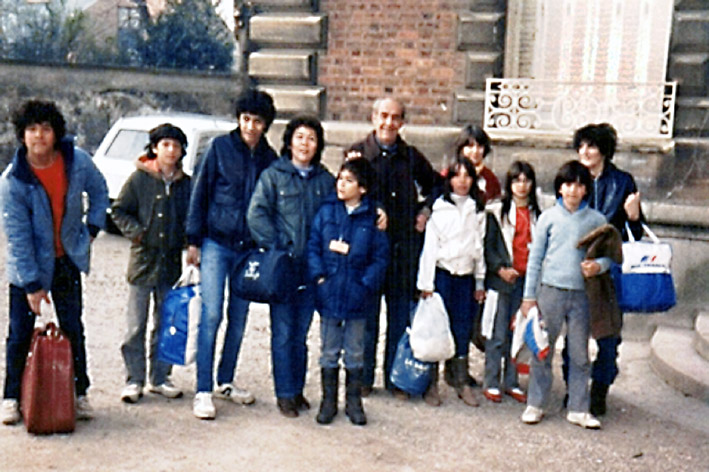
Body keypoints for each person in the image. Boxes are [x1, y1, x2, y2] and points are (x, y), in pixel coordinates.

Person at [0, 100, 109, 425]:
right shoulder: (13, 181)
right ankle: (11, 396)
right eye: (32, 129)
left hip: (66, 262)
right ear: (22, 136)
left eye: (45, 129)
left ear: (55, 132)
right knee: (19, 332)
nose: (39, 136)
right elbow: (17, 239)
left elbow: (100, 191)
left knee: (73, 327)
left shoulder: (77, 161)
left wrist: (91, 229)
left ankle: (79, 393)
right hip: (29, 267)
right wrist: (32, 285)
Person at [186, 89, 277, 420]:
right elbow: (201, 191)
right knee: (211, 315)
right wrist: (192, 240)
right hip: (215, 244)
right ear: (239, 119)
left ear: (266, 124)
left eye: (257, 121)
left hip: (248, 250)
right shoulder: (220, 148)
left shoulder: (271, 159)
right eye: (246, 119)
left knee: (239, 319)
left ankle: (225, 380)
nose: (251, 127)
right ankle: (203, 389)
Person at [345, 97, 441, 399]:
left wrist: (425, 211)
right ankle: (362, 378)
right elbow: (344, 192)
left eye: (395, 117)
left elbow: (437, 185)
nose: (388, 123)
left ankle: (396, 378)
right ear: (373, 117)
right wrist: (369, 209)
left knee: (399, 319)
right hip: (369, 254)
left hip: (402, 252)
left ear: (402, 122)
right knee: (368, 318)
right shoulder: (357, 153)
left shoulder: (411, 156)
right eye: (383, 116)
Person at [248, 115, 336, 418]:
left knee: (301, 332)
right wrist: (277, 248)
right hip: (284, 267)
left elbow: (337, 217)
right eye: (300, 137)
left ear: (318, 145)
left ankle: (297, 389)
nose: (305, 144)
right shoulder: (274, 175)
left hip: (312, 268)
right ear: (289, 142)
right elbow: (256, 214)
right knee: (283, 331)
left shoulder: (326, 181)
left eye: (311, 139)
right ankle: (284, 393)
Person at [519, 160, 608, 429]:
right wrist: (528, 296)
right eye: (568, 184)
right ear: (559, 187)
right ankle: (536, 403)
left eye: (580, 185)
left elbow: (610, 257)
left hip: (582, 295)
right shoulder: (547, 218)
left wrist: (598, 266)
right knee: (542, 349)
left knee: (580, 353)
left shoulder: (596, 220)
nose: (573, 190)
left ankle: (578, 408)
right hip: (550, 292)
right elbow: (535, 260)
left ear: (586, 190)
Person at [566, 122, 643, 417]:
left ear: (604, 150)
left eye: (592, 146)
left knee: (608, 338)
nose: (585, 152)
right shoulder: (573, 178)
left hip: (609, 272)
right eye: (581, 146)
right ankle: (575, 391)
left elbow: (633, 230)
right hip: (578, 268)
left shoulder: (622, 181)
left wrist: (634, 215)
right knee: (574, 334)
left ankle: (599, 391)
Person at [111, 123, 191, 404]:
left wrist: (188, 242)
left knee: (167, 323)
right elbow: (119, 211)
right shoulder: (139, 179)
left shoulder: (185, 184)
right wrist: (138, 233)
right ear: (155, 148)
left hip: (170, 264)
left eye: (176, 146)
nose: (170, 151)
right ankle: (134, 379)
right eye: (165, 145)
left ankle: (160, 377)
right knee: (136, 325)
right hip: (143, 263)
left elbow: (191, 218)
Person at [307, 158, 389, 425]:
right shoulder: (327, 212)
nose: (342, 184)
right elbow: (314, 246)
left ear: (362, 188)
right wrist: (319, 277)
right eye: (340, 179)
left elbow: (380, 257)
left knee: (355, 350)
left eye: (349, 180)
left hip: (357, 294)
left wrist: (366, 284)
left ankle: (354, 402)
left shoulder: (372, 218)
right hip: (330, 291)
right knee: (329, 349)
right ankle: (328, 401)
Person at [417, 158, 486, 408]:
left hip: (465, 277)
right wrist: (426, 284)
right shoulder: (439, 209)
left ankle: (460, 380)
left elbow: (479, 248)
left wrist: (480, 281)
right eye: (457, 176)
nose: (462, 181)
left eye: (468, 176)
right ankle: (432, 383)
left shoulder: (477, 210)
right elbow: (430, 249)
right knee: (439, 326)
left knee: (462, 326)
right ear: (449, 180)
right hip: (442, 275)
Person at [483, 161, 541, 404]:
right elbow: (489, 245)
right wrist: (499, 269)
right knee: (497, 334)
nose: (522, 185)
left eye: (526, 180)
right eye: (517, 180)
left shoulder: (539, 213)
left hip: (527, 282)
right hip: (503, 280)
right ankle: (491, 381)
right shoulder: (496, 211)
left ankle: (512, 381)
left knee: (519, 334)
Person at [451, 124, 501, 204]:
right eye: (470, 146)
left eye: (480, 146)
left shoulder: (490, 179)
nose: (475, 151)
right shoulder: (449, 174)